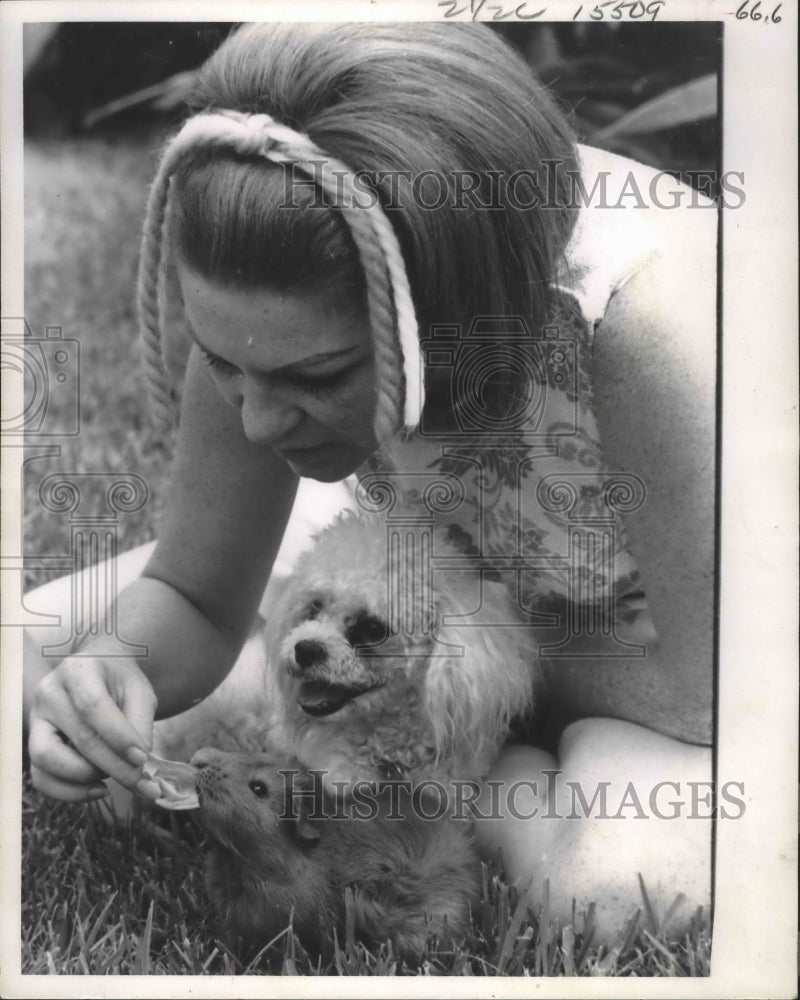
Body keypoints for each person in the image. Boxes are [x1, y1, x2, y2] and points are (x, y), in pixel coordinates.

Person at [24, 23, 716, 945]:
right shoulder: (265, 306)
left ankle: (479, 783)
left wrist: (450, 668)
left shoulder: (645, 330)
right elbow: (192, 592)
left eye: (317, 376)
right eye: (223, 362)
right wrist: (117, 673)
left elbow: (703, 697)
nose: (258, 423)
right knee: (30, 649)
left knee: (618, 889)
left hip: (641, 661)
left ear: (452, 315)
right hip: (403, 570)